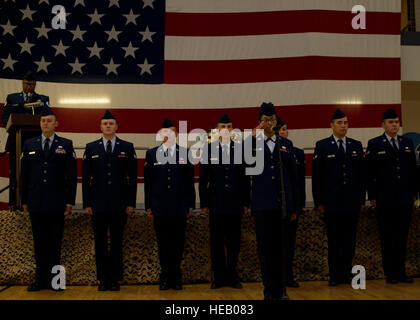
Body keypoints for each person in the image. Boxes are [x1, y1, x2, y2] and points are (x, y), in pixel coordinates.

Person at [20, 107, 77, 291]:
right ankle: (40, 281)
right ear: (40, 123)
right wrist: (24, 200)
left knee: (55, 243)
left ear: (56, 123)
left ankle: (56, 282)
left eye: (49, 120)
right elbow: (24, 175)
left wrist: (69, 201)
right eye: (43, 120)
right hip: (35, 202)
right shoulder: (29, 144)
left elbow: (72, 175)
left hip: (56, 202)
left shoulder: (66, 144)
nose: (46, 123)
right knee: (39, 244)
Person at [248, 102, 299, 300]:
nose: (269, 123)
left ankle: (281, 289)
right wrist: (252, 138)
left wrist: (294, 206)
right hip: (262, 205)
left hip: (282, 205)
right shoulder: (253, 143)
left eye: (272, 119)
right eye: (265, 120)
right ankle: (269, 290)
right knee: (266, 250)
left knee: (282, 250)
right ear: (260, 122)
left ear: (276, 121)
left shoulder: (285, 145)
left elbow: (293, 178)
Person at [82, 110, 137, 291]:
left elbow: (133, 178)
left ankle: (115, 278)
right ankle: (102, 279)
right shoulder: (91, 147)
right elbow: (85, 178)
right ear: (100, 126)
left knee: (116, 242)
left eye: (111, 123)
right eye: (105, 123)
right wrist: (87, 203)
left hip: (119, 204)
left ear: (116, 126)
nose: (108, 126)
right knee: (100, 243)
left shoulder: (127, 147)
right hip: (97, 204)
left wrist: (131, 203)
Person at [312, 109, 365, 286]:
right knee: (334, 240)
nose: (343, 126)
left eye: (346, 123)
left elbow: (360, 176)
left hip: (351, 203)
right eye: (340, 123)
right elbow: (317, 176)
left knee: (349, 241)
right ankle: (335, 275)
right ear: (332, 125)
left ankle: (347, 274)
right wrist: (319, 201)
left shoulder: (356, 145)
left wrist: (361, 199)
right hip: (331, 203)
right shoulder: (323, 145)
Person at [366, 108, 417, 284]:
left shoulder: (407, 142)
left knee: (402, 237)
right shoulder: (375, 144)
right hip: (385, 199)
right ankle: (391, 273)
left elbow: (413, 171)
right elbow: (369, 172)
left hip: (404, 199)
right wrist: (372, 195)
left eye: (396, 122)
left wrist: (414, 194)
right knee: (388, 237)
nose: (394, 125)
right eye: (391, 122)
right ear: (383, 125)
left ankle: (401, 272)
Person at [199, 113, 250, 289]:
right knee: (217, 242)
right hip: (216, 203)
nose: (226, 130)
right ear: (217, 130)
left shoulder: (240, 149)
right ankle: (219, 277)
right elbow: (203, 178)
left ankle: (232, 276)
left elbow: (245, 179)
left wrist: (245, 202)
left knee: (234, 242)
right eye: (223, 127)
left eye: (229, 127)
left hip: (235, 204)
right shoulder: (209, 149)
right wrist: (204, 202)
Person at [144, 118, 195, 290]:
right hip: (159, 206)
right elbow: (148, 182)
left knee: (178, 243)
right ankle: (165, 277)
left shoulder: (185, 152)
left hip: (179, 206)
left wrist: (190, 204)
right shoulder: (152, 154)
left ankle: (176, 277)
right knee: (163, 244)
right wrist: (149, 206)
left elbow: (189, 182)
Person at [1, 71, 50, 209]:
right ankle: (13, 204)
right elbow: (5, 118)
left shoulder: (43, 99)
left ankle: (32, 203)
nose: (29, 87)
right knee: (15, 173)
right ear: (22, 83)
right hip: (16, 141)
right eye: (27, 84)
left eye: (32, 84)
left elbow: (48, 116)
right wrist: (10, 127)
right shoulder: (12, 98)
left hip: (35, 142)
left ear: (35, 85)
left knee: (35, 172)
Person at [276, 116, 305, 288]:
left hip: (292, 206)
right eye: (280, 129)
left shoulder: (298, 153)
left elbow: (298, 182)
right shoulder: (272, 150)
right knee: (276, 245)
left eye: (285, 128)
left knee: (289, 244)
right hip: (276, 205)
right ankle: (277, 277)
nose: (283, 132)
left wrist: (297, 206)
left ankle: (289, 276)